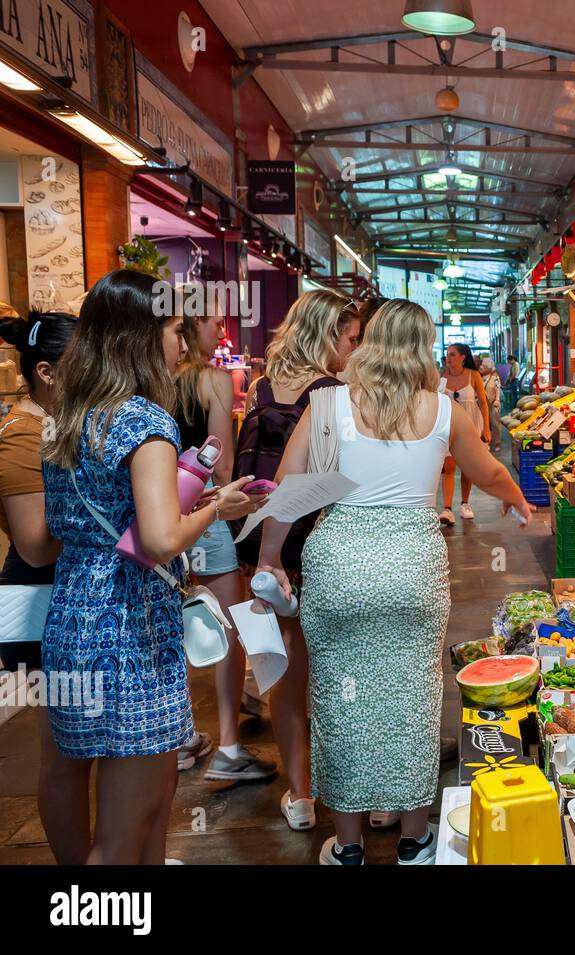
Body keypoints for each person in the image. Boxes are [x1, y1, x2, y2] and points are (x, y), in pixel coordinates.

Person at [254, 300, 533, 865]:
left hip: (339, 564)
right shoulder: (444, 411)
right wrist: (518, 500)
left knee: (337, 699)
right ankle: (413, 839)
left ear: (371, 342)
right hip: (412, 565)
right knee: (415, 695)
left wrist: (270, 559)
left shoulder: (327, 403)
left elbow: (287, 488)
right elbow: (490, 471)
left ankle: (349, 846)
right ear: (424, 348)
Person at [40, 269, 266, 864]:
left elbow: (60, 533)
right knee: (123, 833)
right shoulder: (144, 422)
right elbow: (162, 536)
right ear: (141, 336)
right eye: (173, 330)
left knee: (115, 812)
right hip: (129, 627)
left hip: (71, 617)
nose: (183, 344)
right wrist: (219, 504)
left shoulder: (67, 415)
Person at [234, 289, 360, 831]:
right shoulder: (333, 394)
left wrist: (262, 553)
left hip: (262, 545)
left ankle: (302, 794)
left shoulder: (262, 388)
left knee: (283, 668)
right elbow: (319, 482)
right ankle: (360, 791)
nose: (354, 351)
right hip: (314, 542)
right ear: (328, 335)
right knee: (340, 670)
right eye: (351, 339)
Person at [172, 302, 278, 784]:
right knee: (227, 628)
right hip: (208, 513)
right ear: (190, 325)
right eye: (215, 322)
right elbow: (222, 458)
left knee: (171, 627)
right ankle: (230, 748)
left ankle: (178, 739)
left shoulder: (151, 379)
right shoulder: (212, 381)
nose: (222, 329)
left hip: (159, 517)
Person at [0, 311, 86, 864]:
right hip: (36, 604)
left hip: (61, 599)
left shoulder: (55, 427)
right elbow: (36, 547)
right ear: (48, 373)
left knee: (76, 751)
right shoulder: (21, 439)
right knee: (60, 756)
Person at [438, 343, 492, 524]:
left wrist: (486, 428)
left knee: (467, 468)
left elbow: (483, 402)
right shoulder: (440, 376)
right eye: (447, 354)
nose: (448, 357)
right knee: (449, 467)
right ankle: (446, 509)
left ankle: (465, 504)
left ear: (462, 357)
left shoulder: (473, 375)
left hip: (470, 424)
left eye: (452, 354)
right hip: (448, 425)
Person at [479, 354, 504, 452]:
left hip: (493, 403)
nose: (481, 367)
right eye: (481, 365)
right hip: (482, 404)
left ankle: (497, 443)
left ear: (488, 368)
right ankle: (486, 442)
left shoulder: (495, 377)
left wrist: (497, 399)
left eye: (483, 366)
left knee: (495, 423)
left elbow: (498, 388)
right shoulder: (479, 377)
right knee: (484, 423)